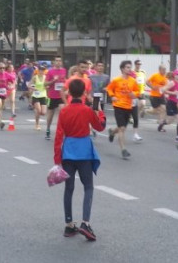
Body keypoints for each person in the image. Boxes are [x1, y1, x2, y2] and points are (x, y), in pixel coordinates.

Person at [54, 79, 106, 241]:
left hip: (68, 151)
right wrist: (100, 111)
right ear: (84, 93)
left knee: (69, 189)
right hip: (84, 151)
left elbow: (58, 136)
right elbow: (100, 126)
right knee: (88, 187)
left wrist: (57, 159)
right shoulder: (87, 110)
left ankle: (69, 225)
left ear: (69, 92)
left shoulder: (64, 111)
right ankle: (85, 222)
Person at [106, 60, 140, 159]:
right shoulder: (116, 80)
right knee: (122, 129)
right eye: (127, 67)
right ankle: (123, 150)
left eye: (130, 67)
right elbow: (109, 89)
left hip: (128, 106)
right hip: (118, 106)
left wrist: (135, 94)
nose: (129, 69)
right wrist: (112, 96)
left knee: (122, 128)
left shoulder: (132, 81)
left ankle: (112, 132)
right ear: (122, 69)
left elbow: (137, 91)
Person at [44, 56, 67, 140]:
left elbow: (65, 81)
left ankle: (62, 129)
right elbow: (45, 84)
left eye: (59, 61)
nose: (58, 62)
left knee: (62, 110)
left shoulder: (64, 70)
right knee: (50, 114)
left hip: (61, 95)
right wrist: (53, 80)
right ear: (54, 62)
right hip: (52, 95)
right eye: (56, 61)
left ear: (61, 62)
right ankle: (48, 129)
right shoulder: (50, 71)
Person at [159, 70, 178, 140]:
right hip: (171, 103)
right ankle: (162, 124)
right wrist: (172, 93)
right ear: (174, 76)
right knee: (170, 121)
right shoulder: (172, 83)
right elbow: (163, 90)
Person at [146, 65, 168, 130]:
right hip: (154, 96)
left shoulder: (165, 77)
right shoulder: (155, 76)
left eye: (165, 70)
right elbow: (147, 82)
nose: (164, 71)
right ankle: (145, 111)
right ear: (160, 70)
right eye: (163, 70)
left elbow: (165, 86)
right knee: (155, 111)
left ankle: (161, 125)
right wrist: (152, 87)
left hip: (161, 96)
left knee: (163, 109)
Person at [30, 65, 48, 131]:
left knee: (43, 112)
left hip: (43, 95)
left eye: (43, 70)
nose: (41, 71)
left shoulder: (46, 78)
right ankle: (37, 124)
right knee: (38, 110)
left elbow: (48, 85)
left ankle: (37, 112)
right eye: (40, 70)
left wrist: (47, 87)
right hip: (36, 96)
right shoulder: (35, 77)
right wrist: (33, 88)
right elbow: (30, 85)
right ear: (38, 71)